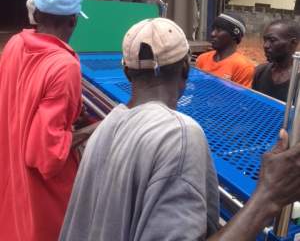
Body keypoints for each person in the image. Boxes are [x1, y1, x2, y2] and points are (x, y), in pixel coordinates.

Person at [60, 17, 300, 241]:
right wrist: (268, 195)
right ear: (187, 69)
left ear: (126, 71)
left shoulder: (107, 125)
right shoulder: (180, 135)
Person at [0, 0, 87, 241]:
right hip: (43, 201)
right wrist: (96, 128)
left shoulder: (14, 44)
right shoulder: (64, 65)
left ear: (35, 15)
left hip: (11, 179)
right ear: (72, 21)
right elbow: (46, 156)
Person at [196, 12, 255, 87]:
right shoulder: (202, 59)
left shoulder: (243, 67)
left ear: (234, 35)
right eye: (213, 29)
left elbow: (239, 98)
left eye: (219, 30)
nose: (212, 34)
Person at [252, 19, 300, 102]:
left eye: (272, 40)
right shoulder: (260, 71)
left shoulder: (297, 78)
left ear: (293, 43)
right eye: (265, 40)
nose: (265, 45)